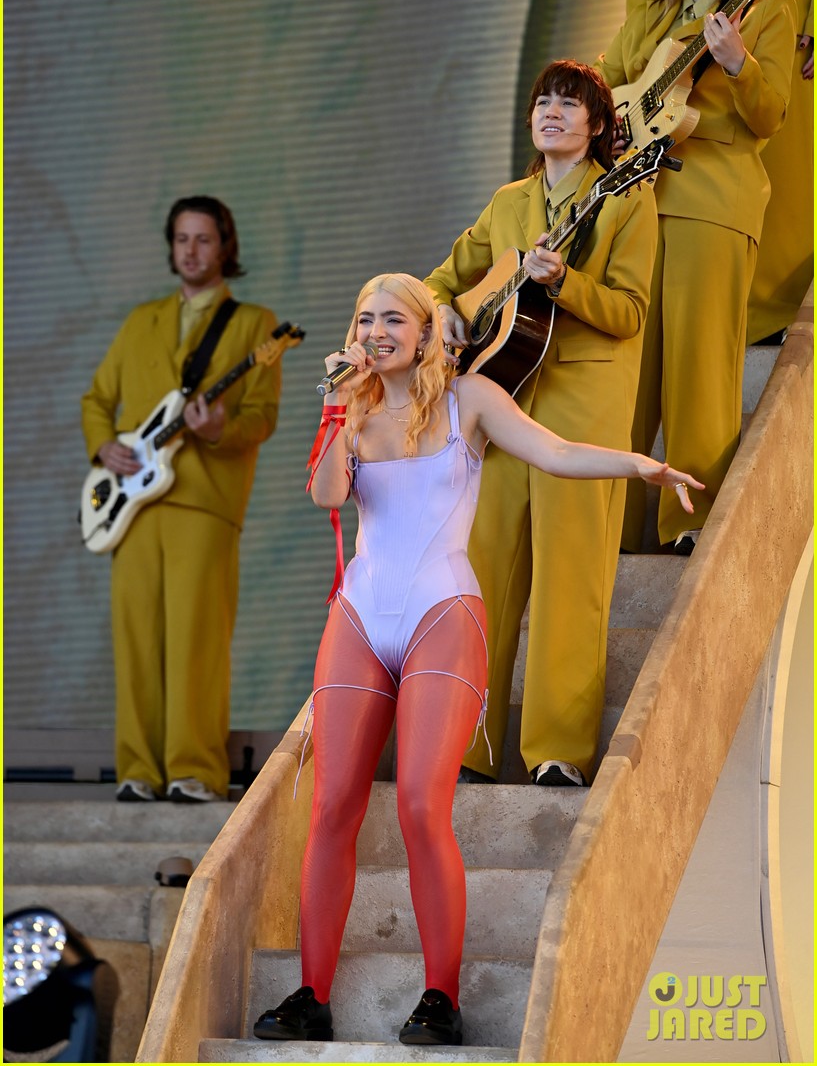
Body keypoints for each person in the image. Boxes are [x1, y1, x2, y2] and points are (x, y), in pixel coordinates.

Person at [252, 273, 701, 1046]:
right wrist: (333, 403)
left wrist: (637, 465)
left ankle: (439, 997)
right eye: (364, 319)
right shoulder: (352, 409)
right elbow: (327, 496)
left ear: (426, 333)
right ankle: (310, 993)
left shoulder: (471, 401)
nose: (375, 330)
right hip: (360, 615)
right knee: (329, 806)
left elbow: (553, 451)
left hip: (441, 615)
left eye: (393, 318)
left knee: (422, 805)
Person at [424, 59, 658, 790]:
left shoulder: (624, 199)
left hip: (582, 402)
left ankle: (556, 748)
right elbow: (441, 284)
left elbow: (629, 312)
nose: (551, 112)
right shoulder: (509, 202)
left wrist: (569, 283)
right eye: (542, 101)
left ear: (598, 125)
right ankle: (466, 746)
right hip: (499, 399)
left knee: (570, 580)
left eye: (569, 103)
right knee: (481, 572)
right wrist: (444, 318)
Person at [595, 0, 796, 554]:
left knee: (698, 371)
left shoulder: (766, 9)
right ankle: (613, 527)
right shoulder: (649, 19)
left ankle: (689, 522)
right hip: (637, 210)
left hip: (711, 203)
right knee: (628, 378)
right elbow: (606, 96)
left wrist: (736, 61)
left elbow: (768, 114)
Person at [81, 196, 281, 803]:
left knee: (197, 641)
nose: (191, 250)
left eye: (203, 239)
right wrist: (104, 449)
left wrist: (219, 426)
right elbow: (96, 400)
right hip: (133, 507)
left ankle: (194, 769)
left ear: (226, 247)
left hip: (205, 503)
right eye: (182, 239)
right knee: (136, 640)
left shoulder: (255, 325)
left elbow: (262, 416)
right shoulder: (139, 321)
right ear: (171, 248)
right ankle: (138, 770)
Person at [625, 0, 813, 345]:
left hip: (783, 4)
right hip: (688, 13)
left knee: (783, 160)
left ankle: (779, 304)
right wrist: (642, 30)